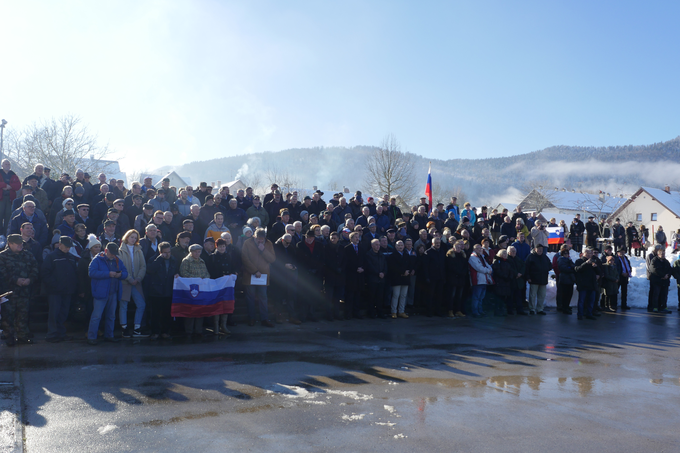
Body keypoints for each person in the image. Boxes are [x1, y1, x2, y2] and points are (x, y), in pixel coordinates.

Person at [0, 234, 40, 346]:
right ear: (10, 244)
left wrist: (29, 279)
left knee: (23, 314)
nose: (20, 245)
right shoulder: (2, 256)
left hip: (24, 291)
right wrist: (15, 280)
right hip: (8, 292)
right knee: (8, 316)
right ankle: (9, 337)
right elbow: (2, 273)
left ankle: (23, 336)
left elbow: (35, 268)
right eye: (17, 243)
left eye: (21, 243)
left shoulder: (27, 255)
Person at [87, 242, 127, 344]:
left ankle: (109, 335)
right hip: (101, 293)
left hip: (113, 292)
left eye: (115, 253)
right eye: (112, 253)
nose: (113, 255)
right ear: (106, 251)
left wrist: (120, 275)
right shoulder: (97, 260)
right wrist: (108, 274)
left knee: (111, 316)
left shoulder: (117, 260)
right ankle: (92, 337)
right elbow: (91, 272)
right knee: (96, 316)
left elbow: (125, 272)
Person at [42, 236, 79, 343]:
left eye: (69, 247)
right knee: (54, 313)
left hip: (67, 291)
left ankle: (61, 333)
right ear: (60, 244)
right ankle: (52, 334)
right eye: (66, 246)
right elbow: (45, 273)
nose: (68, 249)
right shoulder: (51, 256)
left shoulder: (71, 257)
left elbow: (74, 273)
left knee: (63, 313)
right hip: (55, 291)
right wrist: (54, 285)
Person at [241, 228, 276, 327]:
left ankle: (264, 319)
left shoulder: (269, 244)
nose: (260, 241)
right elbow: (244, 258)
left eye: (262, 239)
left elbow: (272, 259)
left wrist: (263, 250)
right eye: (258, 239)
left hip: (263, 276)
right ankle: (251, 318)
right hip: (250, 274)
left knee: (263, 298)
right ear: (254, 236)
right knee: (250, 298)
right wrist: (254, 271)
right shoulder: (247, 243)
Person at [145, 242, 179, 340]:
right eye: (165, 252)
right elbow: (150, 270)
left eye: (169, 252)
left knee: (167, 313)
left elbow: (176, 270)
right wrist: (160, 258)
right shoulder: (153, 259)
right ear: (160, 252)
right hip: (156, 291)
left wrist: (177, 274)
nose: (168, 254)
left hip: (168, 290)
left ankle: (165, 331)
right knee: (155, 313)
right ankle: (155, 332)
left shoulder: (173, 260)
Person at [118, 229, 148, 338]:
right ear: (127, 237)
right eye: (132, 237)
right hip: (125, 282)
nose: (133, 239)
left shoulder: (139, 250)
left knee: (141, 304)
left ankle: (137, 328)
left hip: (136, 282)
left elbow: (143, 266)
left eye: (135, 238)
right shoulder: (120, 250)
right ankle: (124, 328)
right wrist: (130, 279)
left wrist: (138, 278)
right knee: (123, 305)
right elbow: (120, 267)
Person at [178, 243, 211, 336]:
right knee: (190, 310)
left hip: (201, 290)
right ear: (191, 252)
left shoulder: (202, 261)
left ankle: (198, 330)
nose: (198, 254)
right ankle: (188, 330)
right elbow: (183, 273)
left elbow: (207, 273)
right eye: (196, 252)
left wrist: (205, 278)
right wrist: (196, 279)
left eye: (199, 252)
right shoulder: (186, 261)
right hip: (190, 290)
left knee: (200, 310)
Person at [524, 243, 551, 315]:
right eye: (538, 249)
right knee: (532, 295)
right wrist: (528, 277)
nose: (540, 250)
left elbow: (550, 265)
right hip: (533, 279)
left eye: (541, 249)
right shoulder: (531, 257)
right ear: (535, 249)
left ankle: (540, 309)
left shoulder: (545, 257)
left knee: (541, 295)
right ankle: (532, 309)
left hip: (543, 279)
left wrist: (546, 270)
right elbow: (527, 268)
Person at [575, 248, 600, 320]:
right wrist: (586, 263)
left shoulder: (593, 261)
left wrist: (596, 267)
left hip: (592, 284)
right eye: (587, 253)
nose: (589, 255)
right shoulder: (579, 261)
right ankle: (580, 314)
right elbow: (577, 269)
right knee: (582, 300)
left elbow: (599, 272)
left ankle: (589, 313)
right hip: (583, 284)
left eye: (590, 253)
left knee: (591, 300)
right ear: (583, 254)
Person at [468, 243, 493, 317]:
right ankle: (475, 311)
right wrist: (488, 271)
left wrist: (490, 269)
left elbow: (487, 265)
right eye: (478, 248)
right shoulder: (472, 258)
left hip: (484, 280)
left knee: (481, 297)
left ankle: (480, 310)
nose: (480, 250)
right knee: (476, 296)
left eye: (481, 248)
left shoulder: (482, 257)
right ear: (474, 249)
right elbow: (478, 268)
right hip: (478, 280)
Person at [0, 159, 22, 233]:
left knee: (8, 216)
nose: (7, 166)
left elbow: (18, 186)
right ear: (2, 165)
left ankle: (6, 233)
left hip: (10, 198)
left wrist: (10, 186)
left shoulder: (13, 174)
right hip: (1, 198)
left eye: (8, 164)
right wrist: (4, 185)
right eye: (5, 164)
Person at [492, 249, 512, 316]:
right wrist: (505, 276)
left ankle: (502, 310)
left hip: (506, 282)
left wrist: (509, 277)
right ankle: (497, 311)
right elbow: (497, 271)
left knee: (504, 297)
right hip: (499, 281)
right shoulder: (497, 261)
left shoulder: (508, 262)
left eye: (506, 254)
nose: (505, 255)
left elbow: (510, 270)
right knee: (498, 297)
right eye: (503, 253)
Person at [556, 246, 576, 314]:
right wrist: (570, 268)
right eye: (565, 253)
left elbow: (574, 267)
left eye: (567, 253)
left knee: (569, 294)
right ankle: (564, 307)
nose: (566, 255)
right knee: (564, 294)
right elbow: (563, 268)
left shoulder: (569, 260)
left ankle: (567, 306)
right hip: (564, 280)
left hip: (570, 280)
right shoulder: (560, 260)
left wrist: (570, 267)